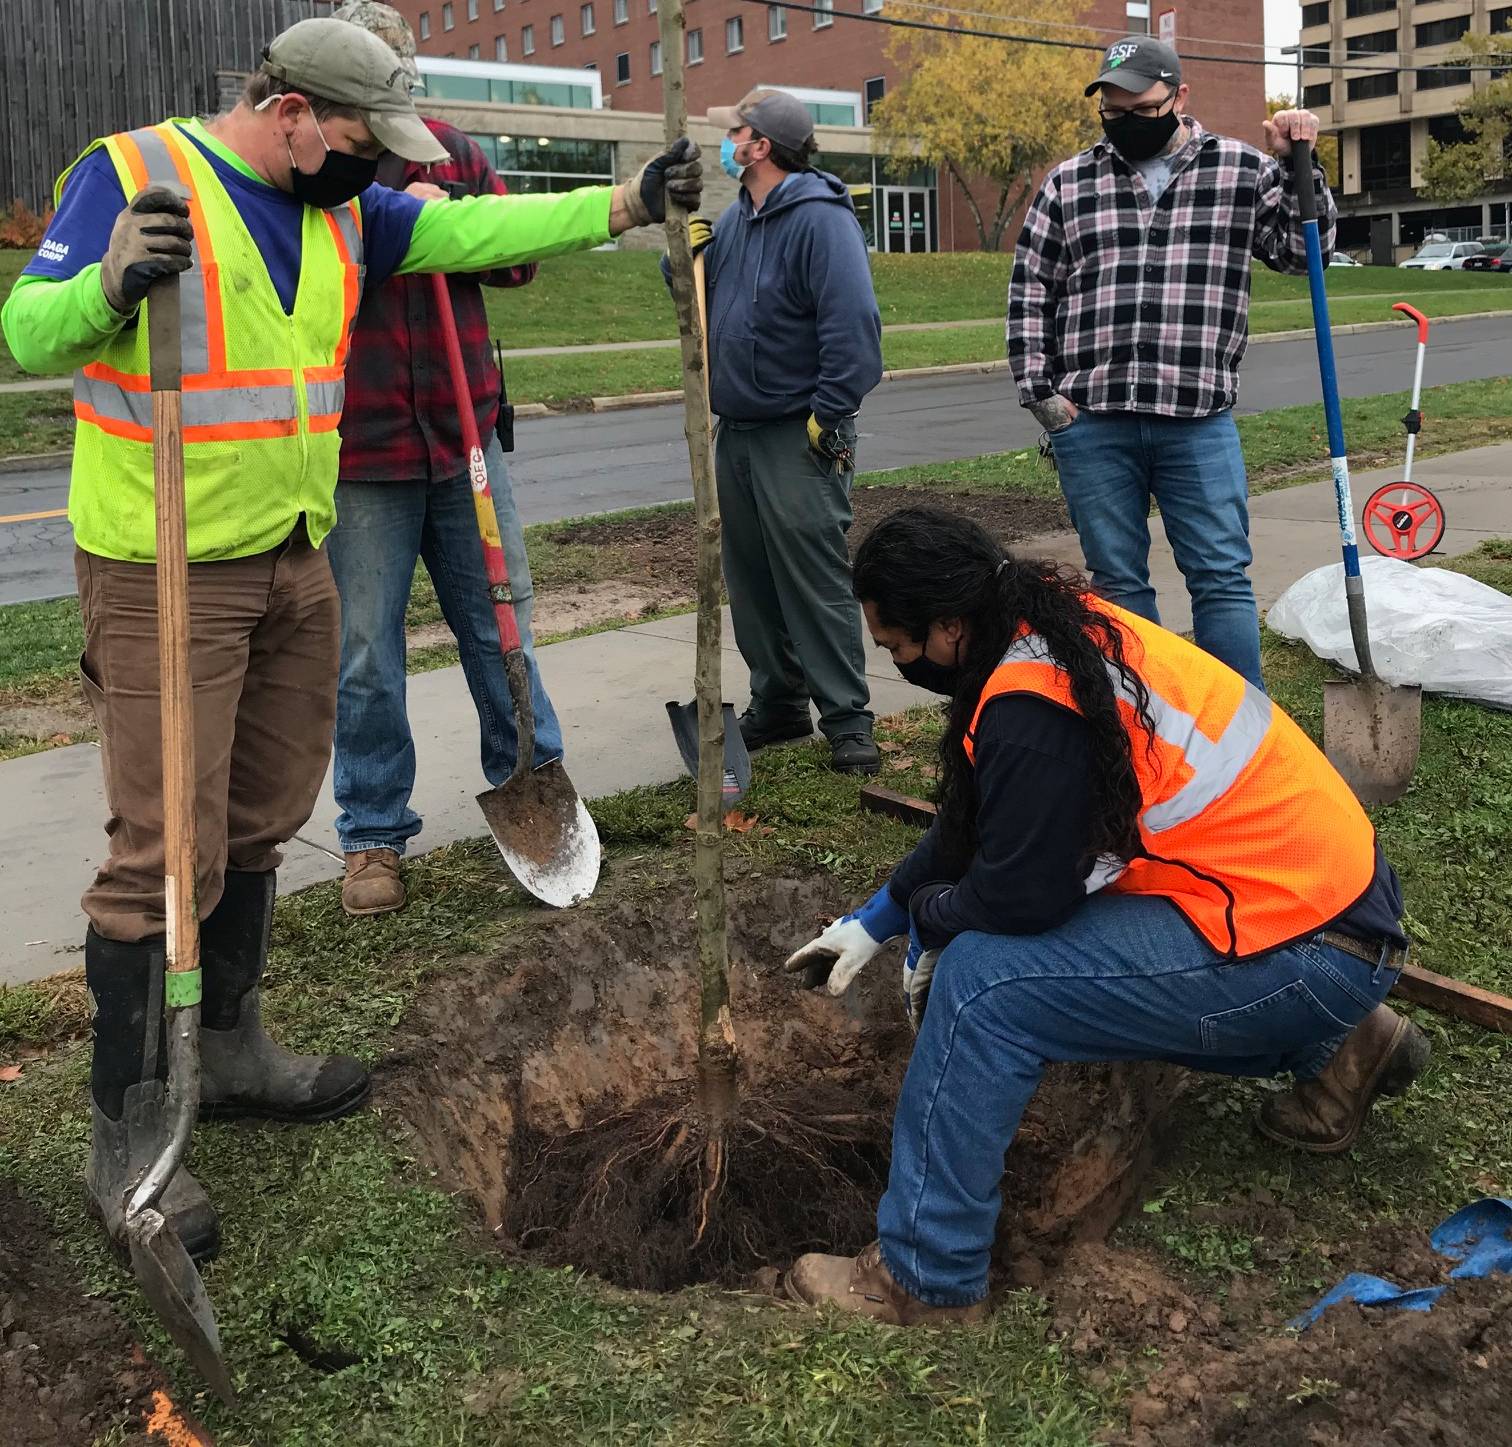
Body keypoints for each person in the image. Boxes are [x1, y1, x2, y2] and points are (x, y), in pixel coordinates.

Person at [0, 15, 700, 1262]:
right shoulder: (131, 170)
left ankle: (231, 1048)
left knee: (264, 812)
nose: (380, 167)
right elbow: (27, 330)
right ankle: (128, 1136)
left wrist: (626, 203)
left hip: (291, 552)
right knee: (164, 850)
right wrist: (107, 283)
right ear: (290, 114)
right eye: (362, 141)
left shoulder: (348, 213)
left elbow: (478, 229)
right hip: (167, 564)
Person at [780, 506, 1429, 1325]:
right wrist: (880, 916)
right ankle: (1344, 1046)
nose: (899, 663)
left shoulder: (1030, 704)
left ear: (948, 625)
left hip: (1303, 942)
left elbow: (1024, 897)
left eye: (898, 647)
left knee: (985, 988)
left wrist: (937, 921)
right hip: (1325, 912)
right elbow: (978, 817)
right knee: (1038, 941)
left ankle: (922, 1275)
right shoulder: (1047, 631)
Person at [324, 3, 562, 918]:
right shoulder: (319, 174)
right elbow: (306, 278)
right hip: (365, 448)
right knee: (366, 654)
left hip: (466, 442)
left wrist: (452, 217)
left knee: (502, 623)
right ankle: (373, 834)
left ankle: (535, 783)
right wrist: (394, 236)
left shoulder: (449, 152)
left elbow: (518, 261)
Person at [1008, 35, 1334, 691]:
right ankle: (1145, 718)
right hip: (1093, 424)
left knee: (1219, 575)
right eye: (1113, 111)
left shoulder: (1242, 172)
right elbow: (1030, 289)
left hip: (1197, 420)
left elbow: (1307, 253)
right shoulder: (1070, 183)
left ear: (1179, 97)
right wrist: (1045, 399)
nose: (1125, 122)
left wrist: (1302, 162)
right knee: (1117, 581)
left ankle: (1241, 728)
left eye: (1140, 108)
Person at [685, 88, 884, 775]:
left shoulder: (819, 220)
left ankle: (848, 720)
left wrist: (824, 417)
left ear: (761, 145)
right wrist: (684, 266)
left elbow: (855, 333)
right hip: (735, 430)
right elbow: (716, 317)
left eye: (735, 130)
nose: (727, 140)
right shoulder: (737, 220)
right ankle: (779, 700)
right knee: (753, 577)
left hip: (795, 433)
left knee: (812, 576)